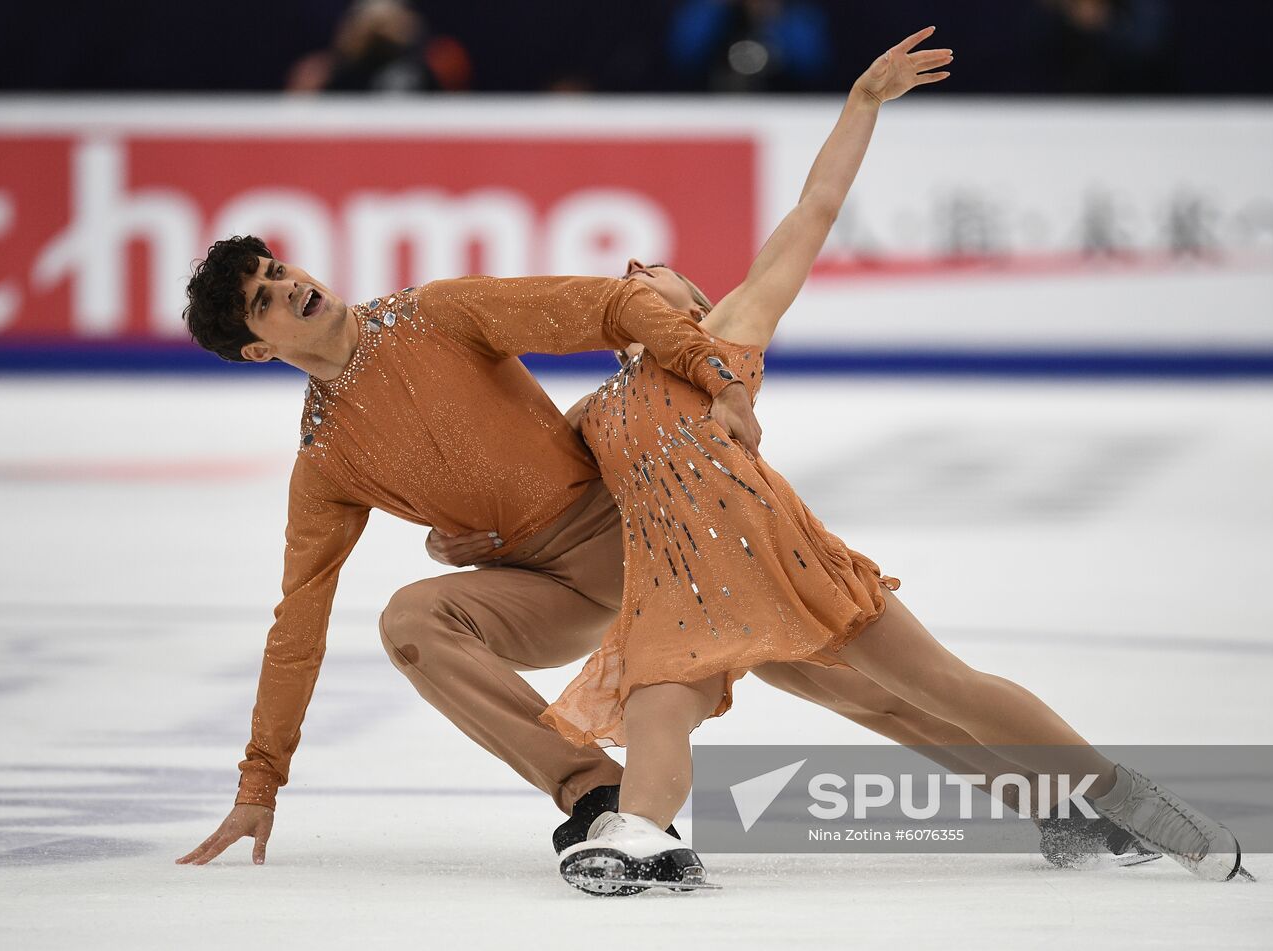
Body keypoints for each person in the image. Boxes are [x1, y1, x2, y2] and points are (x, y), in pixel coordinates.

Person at [170, 214, 1121, 870]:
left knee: (877, 692)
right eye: (262, 297)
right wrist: (262, 781)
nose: (286, 286)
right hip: (549, 586)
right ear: (259, 350)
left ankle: (1059, 805)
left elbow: (612, 306)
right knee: (413, 618)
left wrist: (717, 371)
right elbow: (298, 621)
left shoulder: (435, 313)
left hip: (659, 535)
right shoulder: (326, 459)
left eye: (277, 269)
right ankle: (596, 797)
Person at [542, 26, 1244, 894]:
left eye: (660, 271)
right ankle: (645, 832)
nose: (637, 267)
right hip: (675, 585)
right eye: (629, 271)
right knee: (660, 701)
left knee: (935, 688)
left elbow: (813, 213)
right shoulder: (592, 411)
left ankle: (1112, 793)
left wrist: (861, 103)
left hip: (774, 557)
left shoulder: (722, 340)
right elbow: (524, 485)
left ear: (691, 303)